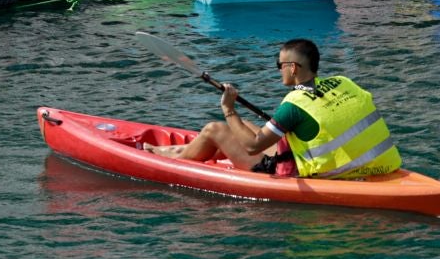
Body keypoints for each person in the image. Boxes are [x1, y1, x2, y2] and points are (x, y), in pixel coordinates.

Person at [163, 39, 402, 180]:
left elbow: (252, 146)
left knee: (214, 129)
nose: (279, 70)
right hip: (371, 164)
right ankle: (178, 151)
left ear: (293, 68)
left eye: (280, 65)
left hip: (304, 172)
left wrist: (229, 109)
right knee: (245, 125)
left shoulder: (294, 105)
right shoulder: (343, 82)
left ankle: (172, 162)